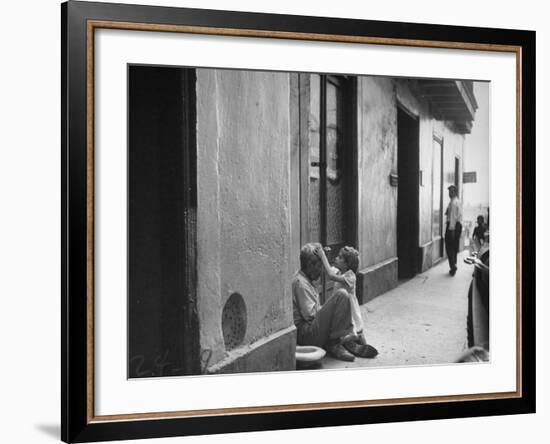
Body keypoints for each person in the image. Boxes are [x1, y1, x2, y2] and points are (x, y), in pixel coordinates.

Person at [292, 243, 356, 362]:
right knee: (341, 295)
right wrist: (328, 311)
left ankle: (338, 341)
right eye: (319, 266)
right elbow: (310, 315)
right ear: (310, 265)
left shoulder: (305, 279)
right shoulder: (301, 283)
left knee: (339, 300)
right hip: (306, 335)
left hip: (311, 328)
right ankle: (334, 344)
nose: (321, 271)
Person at [315, 245, 378, 358]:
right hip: (341, 307)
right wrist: (326, 256)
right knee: (349, 328)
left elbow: (331, 275)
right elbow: (329, 269)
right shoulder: (339, 271)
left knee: (353, 328)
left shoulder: (350, 277)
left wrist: (323, 256)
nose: (336, 258)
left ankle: (354, 341)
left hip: (349, 308)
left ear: (347, 264)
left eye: (340, 257)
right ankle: (353, 342)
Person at [444, 185, 463, 276]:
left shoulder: (453, 202)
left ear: (455, 192)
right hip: (458, 226)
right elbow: (454, 214)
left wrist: (451, 230)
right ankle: (453, 265)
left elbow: (452, 217)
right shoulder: (457, 201)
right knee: (454, 247)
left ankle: (453, 266)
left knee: (449, 247)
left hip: (453, 226)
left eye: (451, 191)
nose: (449, 193)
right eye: (449, 192)